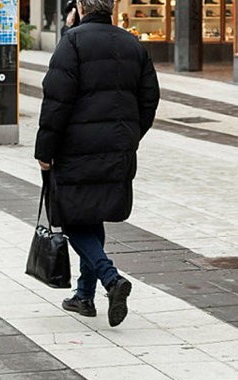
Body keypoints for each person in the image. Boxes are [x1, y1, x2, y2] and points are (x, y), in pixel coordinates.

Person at [34, 0, 160, 327]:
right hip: (118, 147)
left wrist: (45, 150)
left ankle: (110, 278)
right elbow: (150, 98)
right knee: (92, 214)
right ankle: (83, 295)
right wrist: (130, 135)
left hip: (76, 149)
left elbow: (56, 100)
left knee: (74, 218)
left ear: (80, 6)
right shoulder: (133, 43)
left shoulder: (72, 42)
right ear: (113, 6)